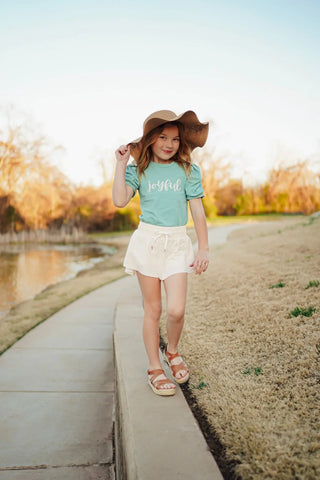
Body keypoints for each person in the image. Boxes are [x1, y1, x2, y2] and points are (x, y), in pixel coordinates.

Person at [112, 110, 209, 397]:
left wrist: (203, 247)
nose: (169, 144)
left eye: (175, 139)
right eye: (163, 137)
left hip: (177, 243)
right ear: (151, 140)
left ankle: (173, 352)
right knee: (152, 309)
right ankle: (154, 367)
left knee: (177, 309)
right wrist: (120, 165)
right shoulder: (138, 170)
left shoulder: (188, 170)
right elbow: (119, 200)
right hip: (148, 241)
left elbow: (198, 211)